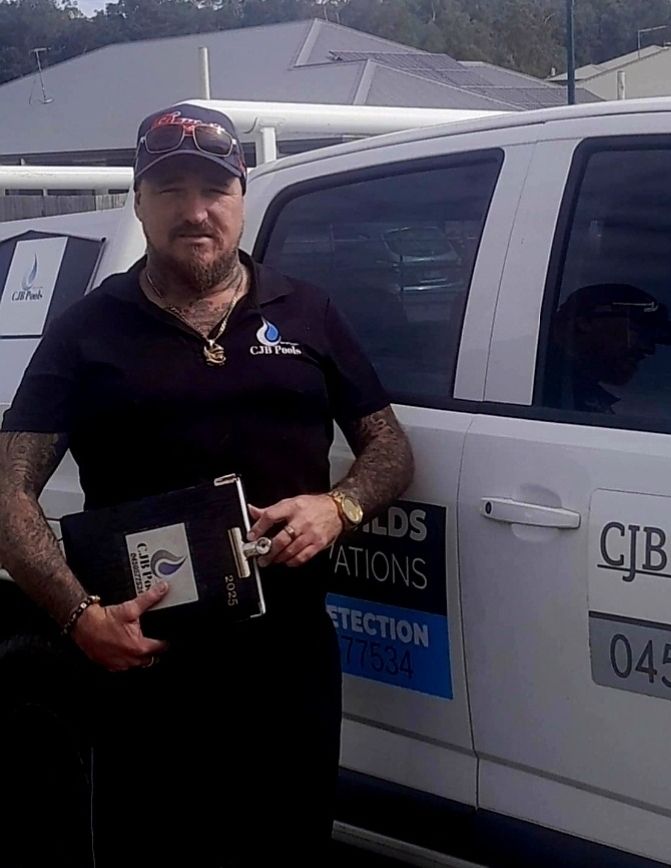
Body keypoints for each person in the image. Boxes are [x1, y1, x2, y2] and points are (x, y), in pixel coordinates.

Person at [0, 104, 414, 867]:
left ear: (241, 195)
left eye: (213, 189)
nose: (195, 212)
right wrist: (79, 615)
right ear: (138, 202)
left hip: (286, 656)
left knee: (289, 845)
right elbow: (9, 491)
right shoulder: (89, 329)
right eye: (170, 190)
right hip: (144, 655)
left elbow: (386, 446)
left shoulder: (307, 311)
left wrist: (340, 504)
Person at [549, 283, 671, 413]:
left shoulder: (571, 396)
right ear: (585, 322)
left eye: (652, 340)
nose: (649, 349)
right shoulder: (542, 390)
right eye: (637, 332)